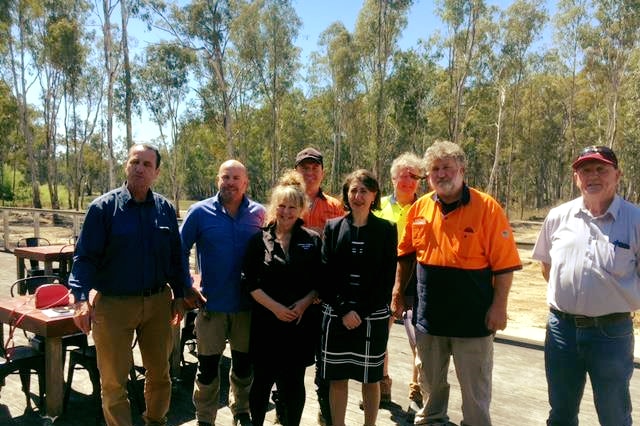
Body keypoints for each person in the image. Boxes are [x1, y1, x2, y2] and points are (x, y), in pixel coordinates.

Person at [392, 140, 522, 426]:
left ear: (462, 169)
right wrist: (398, 293)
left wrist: (499, 307)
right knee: (430, 387)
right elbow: (405, 256)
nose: (441, 174)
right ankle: (431, 420)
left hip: (473, 322)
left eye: (447, 167)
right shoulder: (419, 209)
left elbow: (504, 266)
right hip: (430, 321)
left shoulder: (488, 208)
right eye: (434, 169)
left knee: (475, 394)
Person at [69, 143, 195, 426]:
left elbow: (176, 257)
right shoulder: (102, 208)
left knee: (160, 374)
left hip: (157, 303)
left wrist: (179, 293)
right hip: (113, 305)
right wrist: (79, 299)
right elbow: (85, 257)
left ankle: (155, 420)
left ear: (157, 172)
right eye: (134, 162)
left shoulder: (164, 209)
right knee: (113, 381)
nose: (139, 168)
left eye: (147, 165)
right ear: (126, 165)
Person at [532, 145, 639, 426]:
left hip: (611, 333)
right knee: (561, 413)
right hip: (561, 330)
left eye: (601, 169)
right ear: (576, 178)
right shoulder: (557, 216)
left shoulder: (635, 220)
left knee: (614, 415)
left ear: (617, 175)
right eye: (585, 170)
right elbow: (548, 267)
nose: (593, 176)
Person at [180, 160, 266, 426]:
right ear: (218, 180)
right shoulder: (199, 212)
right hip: (211, 305)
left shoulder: (260, 214)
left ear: (245, 182)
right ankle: (205, 417)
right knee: (207, 368)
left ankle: (240, 411)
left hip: (247, 307)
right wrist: (186, 285)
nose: (230, 182)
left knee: (242, 366)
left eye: (236, 178)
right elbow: (179, 250)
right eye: (225, 177)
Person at [242, 170, 322, 426]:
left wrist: (303, 304)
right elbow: (250, 283)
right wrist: (276, 308)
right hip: (267, 324)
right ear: (274, 207)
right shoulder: (258, 241)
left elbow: (319, 282)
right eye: (282, 206)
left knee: (293, 384)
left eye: (292, 207)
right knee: (262, 382)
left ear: (302, 209)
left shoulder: (312, 240)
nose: (286, 212)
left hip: (299, 326)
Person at [320, 169, 397, 426]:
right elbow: (326, 275)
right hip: (337, 314)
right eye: (353, 190)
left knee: (370, 378)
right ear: (347, 194)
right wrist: (344, 310)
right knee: (338, 377)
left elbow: (386, 281)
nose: (358, 196)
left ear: (374, 195)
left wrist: (360, 312)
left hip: (371, 315)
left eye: (364, 190)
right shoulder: (332, 227)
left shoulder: (387, 230)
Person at [294, 146, 344, 426]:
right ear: (296, 171)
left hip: (323, 299)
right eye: (305, 168)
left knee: (325, 364)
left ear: (323, 172)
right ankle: (285, 411)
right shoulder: (286, 202)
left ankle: (326, 415)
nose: (310, 173)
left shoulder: (336, 206)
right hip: (291, 297)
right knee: (290, 362)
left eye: (315, 168)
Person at [374, 152, 425, 410]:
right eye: (402, 176)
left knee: (419, 338)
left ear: (419, 181)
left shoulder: (427, 206)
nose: (407, 181)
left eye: (413, 176)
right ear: (392, 179)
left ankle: (417, 386)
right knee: (380, 336)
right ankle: (382, 384)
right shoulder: (378, 206)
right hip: (383, 279)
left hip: (417, 280)